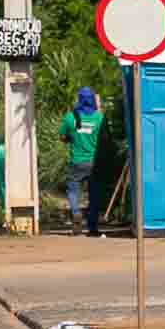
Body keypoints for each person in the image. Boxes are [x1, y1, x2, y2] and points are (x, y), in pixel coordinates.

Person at [60, 85, 105, 234]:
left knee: (73, 190)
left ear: (79, 99)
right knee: (94, 194)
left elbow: (62, 137)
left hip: (77, 162)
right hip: (94, 162)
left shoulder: (70, 117)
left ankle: (75, 212)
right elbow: (105, 138)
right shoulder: (99, 118)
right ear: (92, 100)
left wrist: (71, 138)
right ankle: (93, 227)